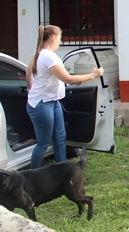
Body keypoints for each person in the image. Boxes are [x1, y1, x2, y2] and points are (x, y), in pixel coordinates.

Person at [26, 25, 104, 169]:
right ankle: (31, 175)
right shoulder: (48, 57)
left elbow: (28, 71)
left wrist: (31, 87)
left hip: (52, 102)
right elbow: (69, 79)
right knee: (43, 142)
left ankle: (63, 171)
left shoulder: (40, 53)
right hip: (41, 104)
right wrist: (94, 75)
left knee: (60, 138)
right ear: (53, 38)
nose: (60, 42)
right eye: (60, 38)